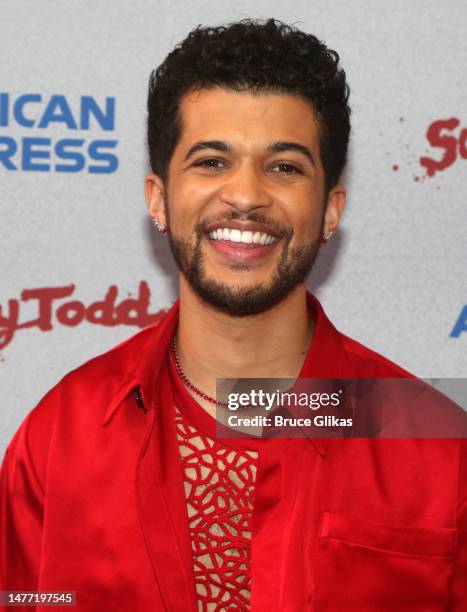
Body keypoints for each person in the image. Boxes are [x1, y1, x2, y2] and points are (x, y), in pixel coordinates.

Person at [1, 18, 466, 612]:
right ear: (158, 199)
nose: (245, 195)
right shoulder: (60, 436)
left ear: (330, 211)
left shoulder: (436, 448)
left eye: (285, 167)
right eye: (212, 161)